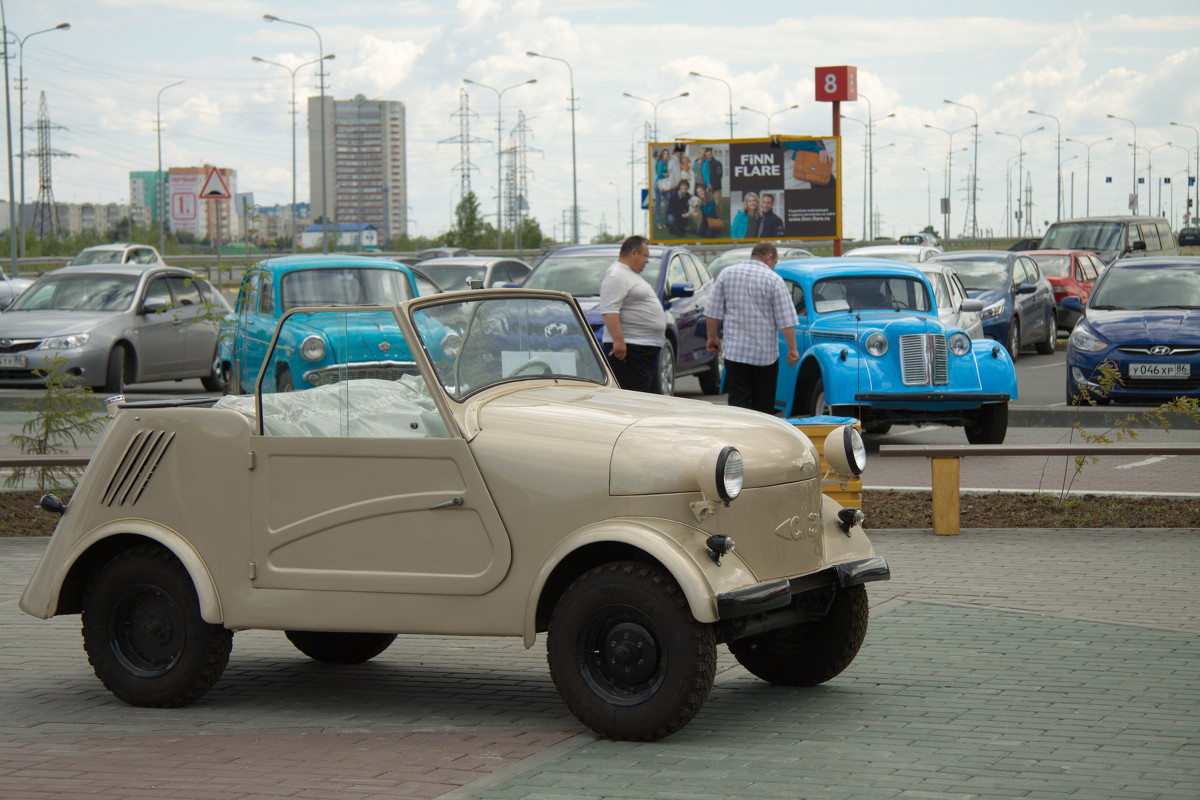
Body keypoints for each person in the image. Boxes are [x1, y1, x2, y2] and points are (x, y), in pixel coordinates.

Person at [705, 242, 799, 414]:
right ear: (769, 258)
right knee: (763, 405)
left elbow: (713, 312)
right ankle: (760, 439)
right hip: (765, 356)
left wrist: (712, 337)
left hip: (736, 354)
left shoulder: (727, 274)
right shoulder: (774, 280)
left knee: (737, 403)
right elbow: (785, 320)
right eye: (774, 263)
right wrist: (792, 349)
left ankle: (739, 438)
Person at [599, 235, 667, 392]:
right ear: (634, 252)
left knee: (643, 392)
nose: (647, 261)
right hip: (630, 348)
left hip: (641, 347)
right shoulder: (615, 275)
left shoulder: (628, 274)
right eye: (645, 255)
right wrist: (619, 341)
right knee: (634, 394)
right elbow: (609, 310)